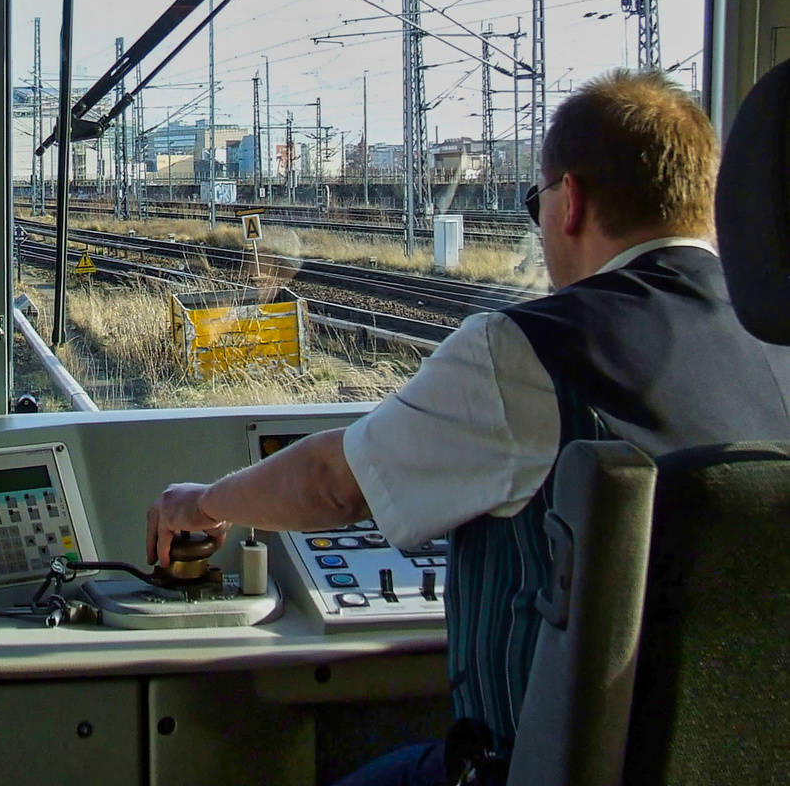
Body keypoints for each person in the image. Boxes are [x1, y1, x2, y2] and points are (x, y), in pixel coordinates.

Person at [145, 70, 790, 785]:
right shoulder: (778, 345)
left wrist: (202, 503)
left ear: (569, 202)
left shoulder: (525, 351)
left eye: (534, 203)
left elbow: (332, 487)